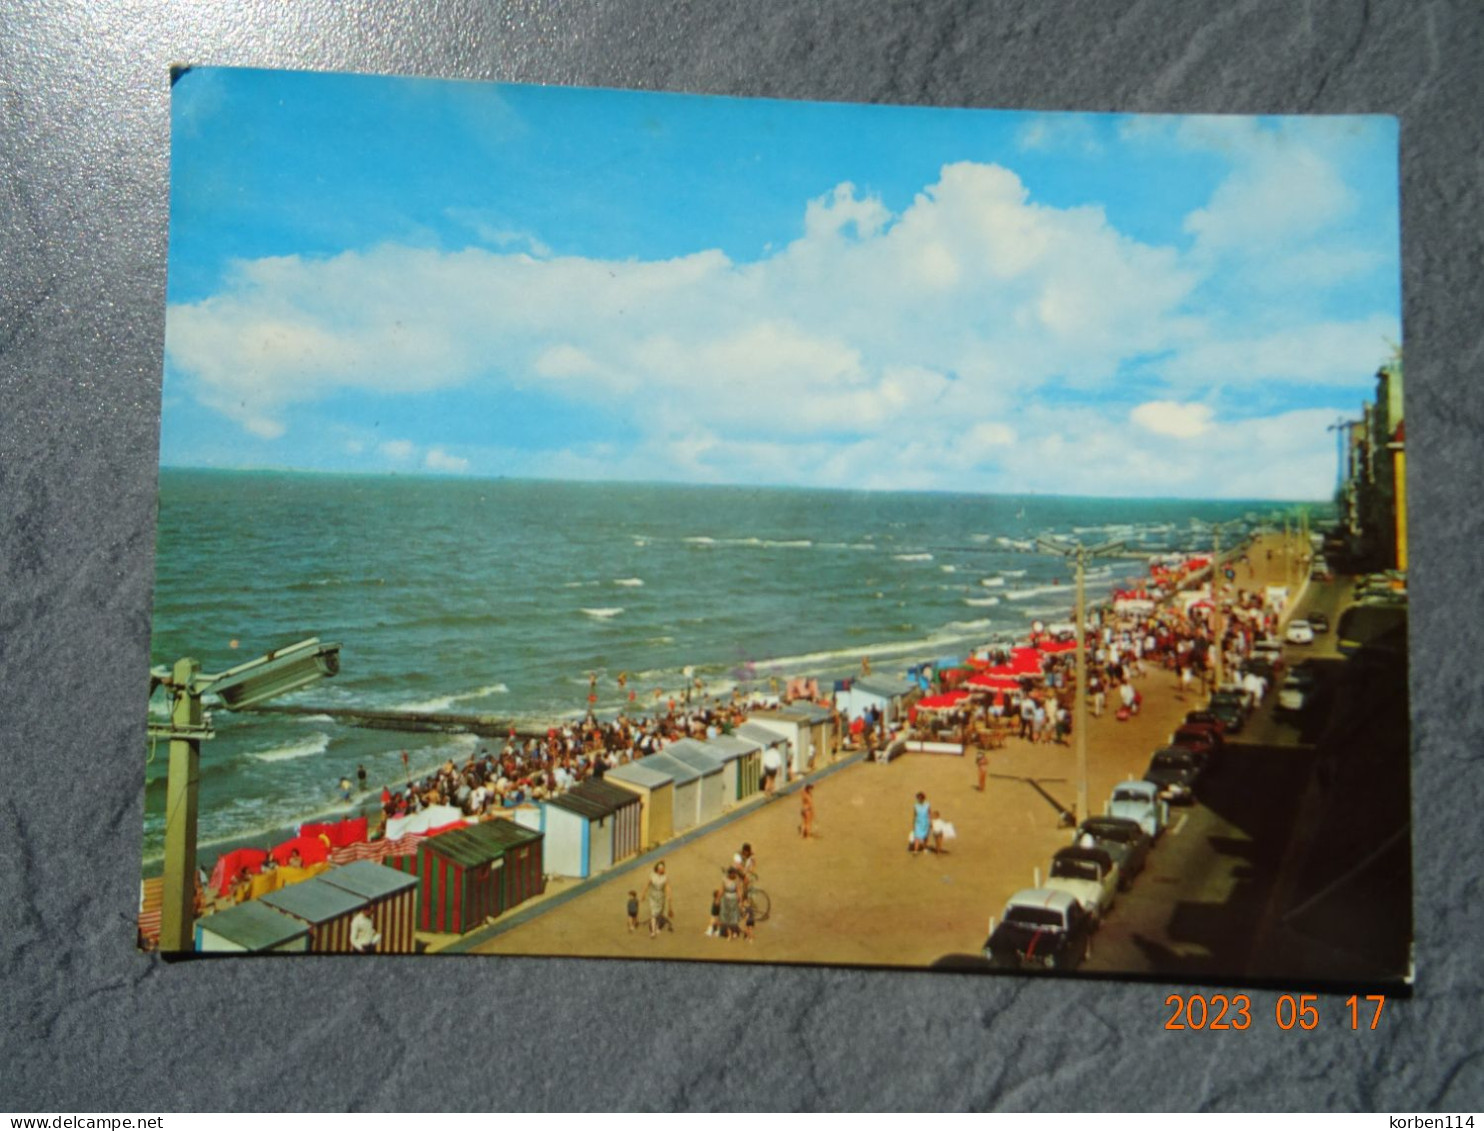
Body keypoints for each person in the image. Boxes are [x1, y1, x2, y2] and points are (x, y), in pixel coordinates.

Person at [640, 861, 672, 938]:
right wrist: (643, 894)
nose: (663, 869)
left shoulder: (665, 877)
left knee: (660, 913)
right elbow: (647, 885)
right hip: (653, 896)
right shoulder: (652, 876)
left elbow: (667, 887)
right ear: (658, 869)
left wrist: (669, 896)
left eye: (663, 868)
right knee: (653, 914)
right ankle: (653, 931)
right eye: (662, 868)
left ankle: (658, 927)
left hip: (661, 896)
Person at [718, 868, 742, 939]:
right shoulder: (724, 880)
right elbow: (722, 889)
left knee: (733, 916)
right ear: (730, 873)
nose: (734, 875)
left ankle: (734, 932)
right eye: (733, 873)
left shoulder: (736, 880)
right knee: (725, 916)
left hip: (734, 900)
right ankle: (726, 933)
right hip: (725, 900)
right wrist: (718, 898)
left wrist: (740, 899)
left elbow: (738, 890)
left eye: (735, 873)